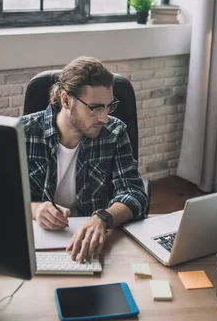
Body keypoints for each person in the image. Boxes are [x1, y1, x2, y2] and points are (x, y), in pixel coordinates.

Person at [21, 56, 148, 263]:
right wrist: (35, 209)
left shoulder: (114, 132)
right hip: (38, 245)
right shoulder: (23, 132)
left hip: (93, 246)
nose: (104, 118)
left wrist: (103, 217)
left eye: (109, 107)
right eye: (96, 108)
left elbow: (134, 193)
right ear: (65, 100)